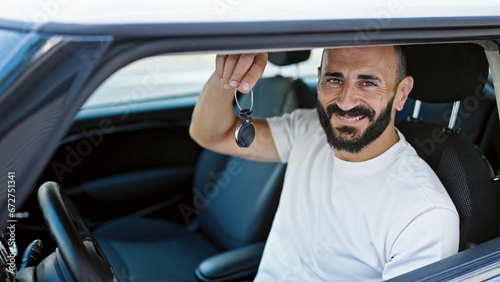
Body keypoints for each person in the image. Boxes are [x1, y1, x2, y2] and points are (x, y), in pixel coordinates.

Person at [189, 46, 459, 281]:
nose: (346, 101)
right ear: (318, 80)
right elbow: (211, 133)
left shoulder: (425, 216)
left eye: (368, 83)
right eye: (334, 79)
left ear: (402, 93)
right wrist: (231, 74)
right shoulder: (308, 129)